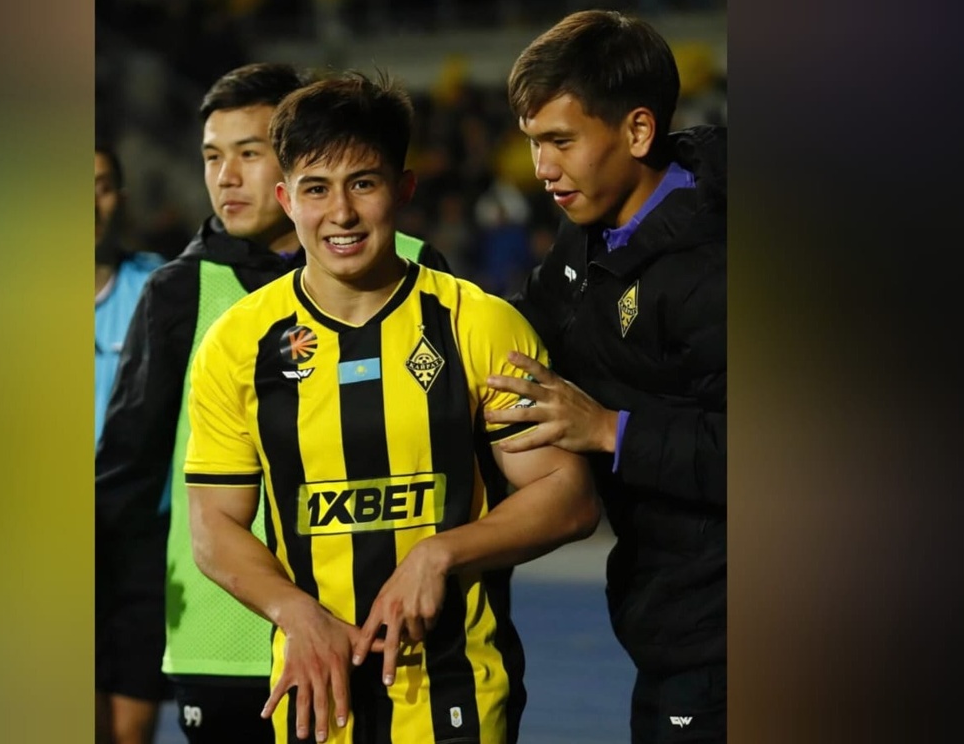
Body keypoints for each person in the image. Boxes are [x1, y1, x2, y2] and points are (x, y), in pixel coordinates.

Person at [183, 70, 601, 744]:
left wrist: (440, 554)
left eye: (363, 184)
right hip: (315, 691)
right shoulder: (237, 344)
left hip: (458, 690)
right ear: (287, 199)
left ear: (403, 189)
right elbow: (212, 525)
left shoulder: (478, 323)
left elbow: (568, 496)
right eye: (316, 189)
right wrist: (295, 613)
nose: (341, 214)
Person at [95, 63, 452, 744]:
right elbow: (127, 474)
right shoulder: (180, 292)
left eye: (249, 154)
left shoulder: (413, 265)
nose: (226, 177)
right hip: (225, 643)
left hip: (383, 632)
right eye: (212, 157)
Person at [486, 10, 726, 744]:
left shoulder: (717, 266)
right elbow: (528, 325)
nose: (541, 168)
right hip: (672, 619)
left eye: (560, 141)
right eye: (533, 142)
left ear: (638, 131)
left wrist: (608, 430)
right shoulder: (591, 229)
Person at [94, 145, 169, 744]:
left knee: (130, 728)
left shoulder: (159, 287)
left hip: (144, 536)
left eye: (100, 186)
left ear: (120, 197)